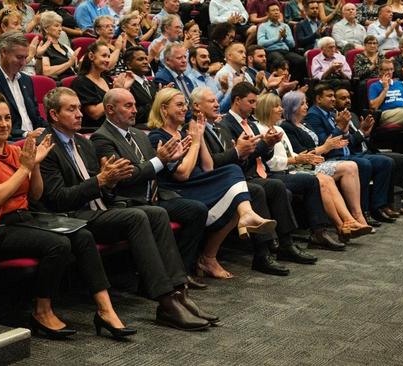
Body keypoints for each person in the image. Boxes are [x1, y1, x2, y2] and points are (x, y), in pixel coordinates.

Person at [38, 86, 217, 330]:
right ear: (54, 115)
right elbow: (58, 199)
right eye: (72, 109)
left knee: (156, 212)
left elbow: (104, 187)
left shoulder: (82, 143)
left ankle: (178, 292)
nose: (80, 114)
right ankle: (165, 302)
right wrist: (101, 181)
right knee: (136, 216)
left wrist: (108, 181)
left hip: (99, 208)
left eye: (80, 108)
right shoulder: (45, 146)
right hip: (72, 217)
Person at [0, 91, 134, 340]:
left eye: (8, 118)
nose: (4, 124)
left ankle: (106, 310)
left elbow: (36, 194)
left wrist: (36, 165)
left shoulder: (13, 151)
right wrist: (25, 167)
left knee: (82, 234)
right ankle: (42, 310)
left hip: (24, 218)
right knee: (58, 244)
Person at [148, 87, 279, 278]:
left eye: (184, 104)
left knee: (234, 179)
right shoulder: (157, 137)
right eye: (179, 105)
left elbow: (208, 167)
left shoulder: (187, 132)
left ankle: (243, 217)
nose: (184, 108)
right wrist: (194, 141)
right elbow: (182, 174)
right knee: (236, 183)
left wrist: (198, 138)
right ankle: (246, 216)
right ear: (163, 109)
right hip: (179, 190)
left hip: (198, 183)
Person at [90, 88, 210, 289]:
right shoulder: (101, 138)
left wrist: (170, 159)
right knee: (158, 213)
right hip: (129, 201)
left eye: (135, 105)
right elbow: (125, 177)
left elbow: (149, 167)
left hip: (154, 196)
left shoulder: (138, 133)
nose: (135, 110)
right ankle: (168, 280)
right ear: (110, 109)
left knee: (196, 209)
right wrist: (160, 160)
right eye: (128, 106)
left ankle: (183, 270)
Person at [192, 86, 308, 274]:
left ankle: (286, 243)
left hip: (238, 175)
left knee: (277, 186)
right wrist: (238, 151)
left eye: (216, 100)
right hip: (218, 181)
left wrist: (266, 145)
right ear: (197, 106)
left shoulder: (219, 126)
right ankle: (262, 254)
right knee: (256, 190)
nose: (217, 104)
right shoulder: (198, 128)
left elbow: (243, 157)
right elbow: (211, 164)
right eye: (211, 101)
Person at [221, 82, 347, 251]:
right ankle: (282, 243)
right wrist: (267, 146)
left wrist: (269, 146)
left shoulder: (250, 124)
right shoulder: (227, 124)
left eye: (255, 102)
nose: (254, 106)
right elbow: (240, 157)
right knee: (281, 186)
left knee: (310, 182)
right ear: (237, 100)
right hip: (247, 175)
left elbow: (265, 156)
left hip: (262, 172)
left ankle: (317, 233)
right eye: (251, 102)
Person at [257, 92, 372, 241]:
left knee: (327, 179)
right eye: (277, 106)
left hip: (297, 166)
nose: (281, 109)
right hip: (280, 171)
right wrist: (299, 158)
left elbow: (293, 153)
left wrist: (301, 157)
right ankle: (341, 225)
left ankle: (348, 221)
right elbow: (273, 161)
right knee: (322, 180)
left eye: (280, 106)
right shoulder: (261, 130)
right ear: (267, 109)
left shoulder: (281, 129)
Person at [305, 83, 397, 225]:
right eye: (329, 96)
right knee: (364, 165)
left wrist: (359, 131)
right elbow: (324, 143)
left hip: (349, 153)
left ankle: (378, 206)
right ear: (318, 99)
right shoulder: (314, 116)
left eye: (333, 96)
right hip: (333, 157)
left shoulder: (331, 112)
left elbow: (347, 140)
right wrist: (340, 127)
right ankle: (363, 211)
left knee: (386, 162)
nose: (333, 99)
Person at [334, 87, 403, 218]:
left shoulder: (352, 115)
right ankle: (380, 206)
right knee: (387, 162)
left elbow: (362, 137)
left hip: (368, 150)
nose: (347, 100)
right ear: (334, 101)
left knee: (402, 159)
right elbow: (348, 144)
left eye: (348, 97)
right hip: (354, 154)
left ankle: (396, 203)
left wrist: (366, 134)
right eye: (342, 98)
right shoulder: (336, 118)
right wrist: (361, 132)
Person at [0, 31, 47, 140]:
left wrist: (54, 128)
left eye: (25, 57)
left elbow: (36, 117)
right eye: (19, 57)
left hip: (35, 139)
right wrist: (26, 134)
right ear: (3, 52)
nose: (24, 63)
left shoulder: (26, 80)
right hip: (11, 141)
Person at [71, 41, 130, 130]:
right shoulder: (80, 82)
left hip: (115, 127)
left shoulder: (107, 79)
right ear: (91, 56)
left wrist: (124, 90)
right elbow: (95, 114)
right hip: (95, 130)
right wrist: (115, 91)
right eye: (104, 56)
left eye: (109, 56)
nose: (108, 60)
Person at [256, 3, 305, 84]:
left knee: (301, 60)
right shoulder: (263, 26)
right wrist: (277, 38)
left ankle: (295, 83)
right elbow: (260, 43)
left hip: (285, 51)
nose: (276, 12)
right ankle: (279, 85)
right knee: (280, 61)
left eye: (277, 10)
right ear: (267, 13)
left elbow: (292, 44)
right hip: (271, 51)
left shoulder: (285, 26)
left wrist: (285, 37)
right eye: (273, 10)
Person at [40, 11, 81, 81]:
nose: (60, 29)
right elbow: (46, 71)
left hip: (74, 79)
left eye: (61, 26)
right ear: (45, 29)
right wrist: (69, 63)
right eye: (56, 26)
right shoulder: (43, 48)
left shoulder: (64, 46)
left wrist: (80, 65)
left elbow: (73, 69)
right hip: (60, 84)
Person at [123, 46, 156, 129]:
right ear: (129, 64)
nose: (145, 62)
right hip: (138, 128)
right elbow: (132, 114)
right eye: (140, 59)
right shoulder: (126, 85)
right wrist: (156, 102)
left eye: (146, 59)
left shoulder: (152, 84)